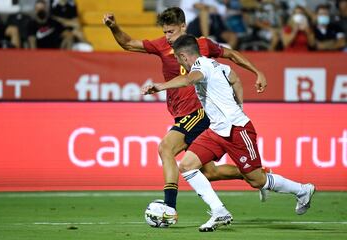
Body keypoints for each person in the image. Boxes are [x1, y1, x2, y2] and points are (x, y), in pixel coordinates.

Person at [103, 7, 268, 220]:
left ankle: (169, 207)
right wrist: (114, 27)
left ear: (183, 26)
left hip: (199, 112)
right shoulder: (162, 46)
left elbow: (232, 54)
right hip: (181, 114)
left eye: (171, 31)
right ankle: (260, 175)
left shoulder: (202, 45)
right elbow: (128, 43)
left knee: (166, 148)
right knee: (210, 173)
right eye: (165, 32)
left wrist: (257, 72)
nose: (167, 37)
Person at [142, 34, 316, 232]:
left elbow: (189, 79)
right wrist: (239, 105)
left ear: (183, 56)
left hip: (237, 129)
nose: (180, 63)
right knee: (187, 166)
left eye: (179, 59)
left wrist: (160, 86)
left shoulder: (202, 66)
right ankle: (219, 211)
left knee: (256, 180)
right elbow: (235, 79)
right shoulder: (217, 65)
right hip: (216, 130)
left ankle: (303, 190)